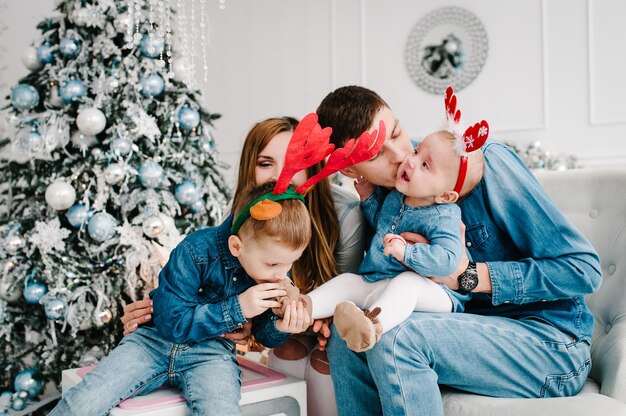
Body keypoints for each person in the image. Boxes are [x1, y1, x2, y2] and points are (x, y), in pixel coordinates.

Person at [314, 85, 602, 416]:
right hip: (463, 333)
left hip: (550, 342)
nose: (401, 153)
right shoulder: (385, 196)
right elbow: (378, 280)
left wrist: (467, 276)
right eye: (377, 154)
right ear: (350, 170)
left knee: (397, 338)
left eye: (396, 132)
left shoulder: (473, 161)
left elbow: (583, 270)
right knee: (345, 340)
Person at [120, 116, 367, 416]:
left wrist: (313, 316)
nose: (281, 177)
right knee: (287, 351)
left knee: (325, 357)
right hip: (278, 336)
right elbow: (212, 291)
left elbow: (344, 294)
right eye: (266, 163)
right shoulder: (240, 223)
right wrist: (157, 310)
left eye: (294, 162)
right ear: (249, 169)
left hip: (326, 330)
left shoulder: (344, 216)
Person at [49, 181, 314, 416]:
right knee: (83, 403)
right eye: (272, 265)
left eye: (289, 264)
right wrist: (239, 307)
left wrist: (280, 326)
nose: (282, 274)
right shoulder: (196, 249)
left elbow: (263, 334)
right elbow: (170, 322)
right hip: (152, 342)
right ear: (236, 246)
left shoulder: (272, 270)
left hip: (212, 353)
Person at [298, 125, 486, 352]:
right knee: (348, 281)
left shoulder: (444, 217)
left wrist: (406, 251)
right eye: (416, 152)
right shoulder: (398, 197)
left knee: (408, 282)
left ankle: (371, 327)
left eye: (425, 165)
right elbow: (382, 223)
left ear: (445, 195)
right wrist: (368, 198)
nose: (411, 161)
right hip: (381, 279)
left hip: (435, 293)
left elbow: (447, 260)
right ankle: (301, 307)